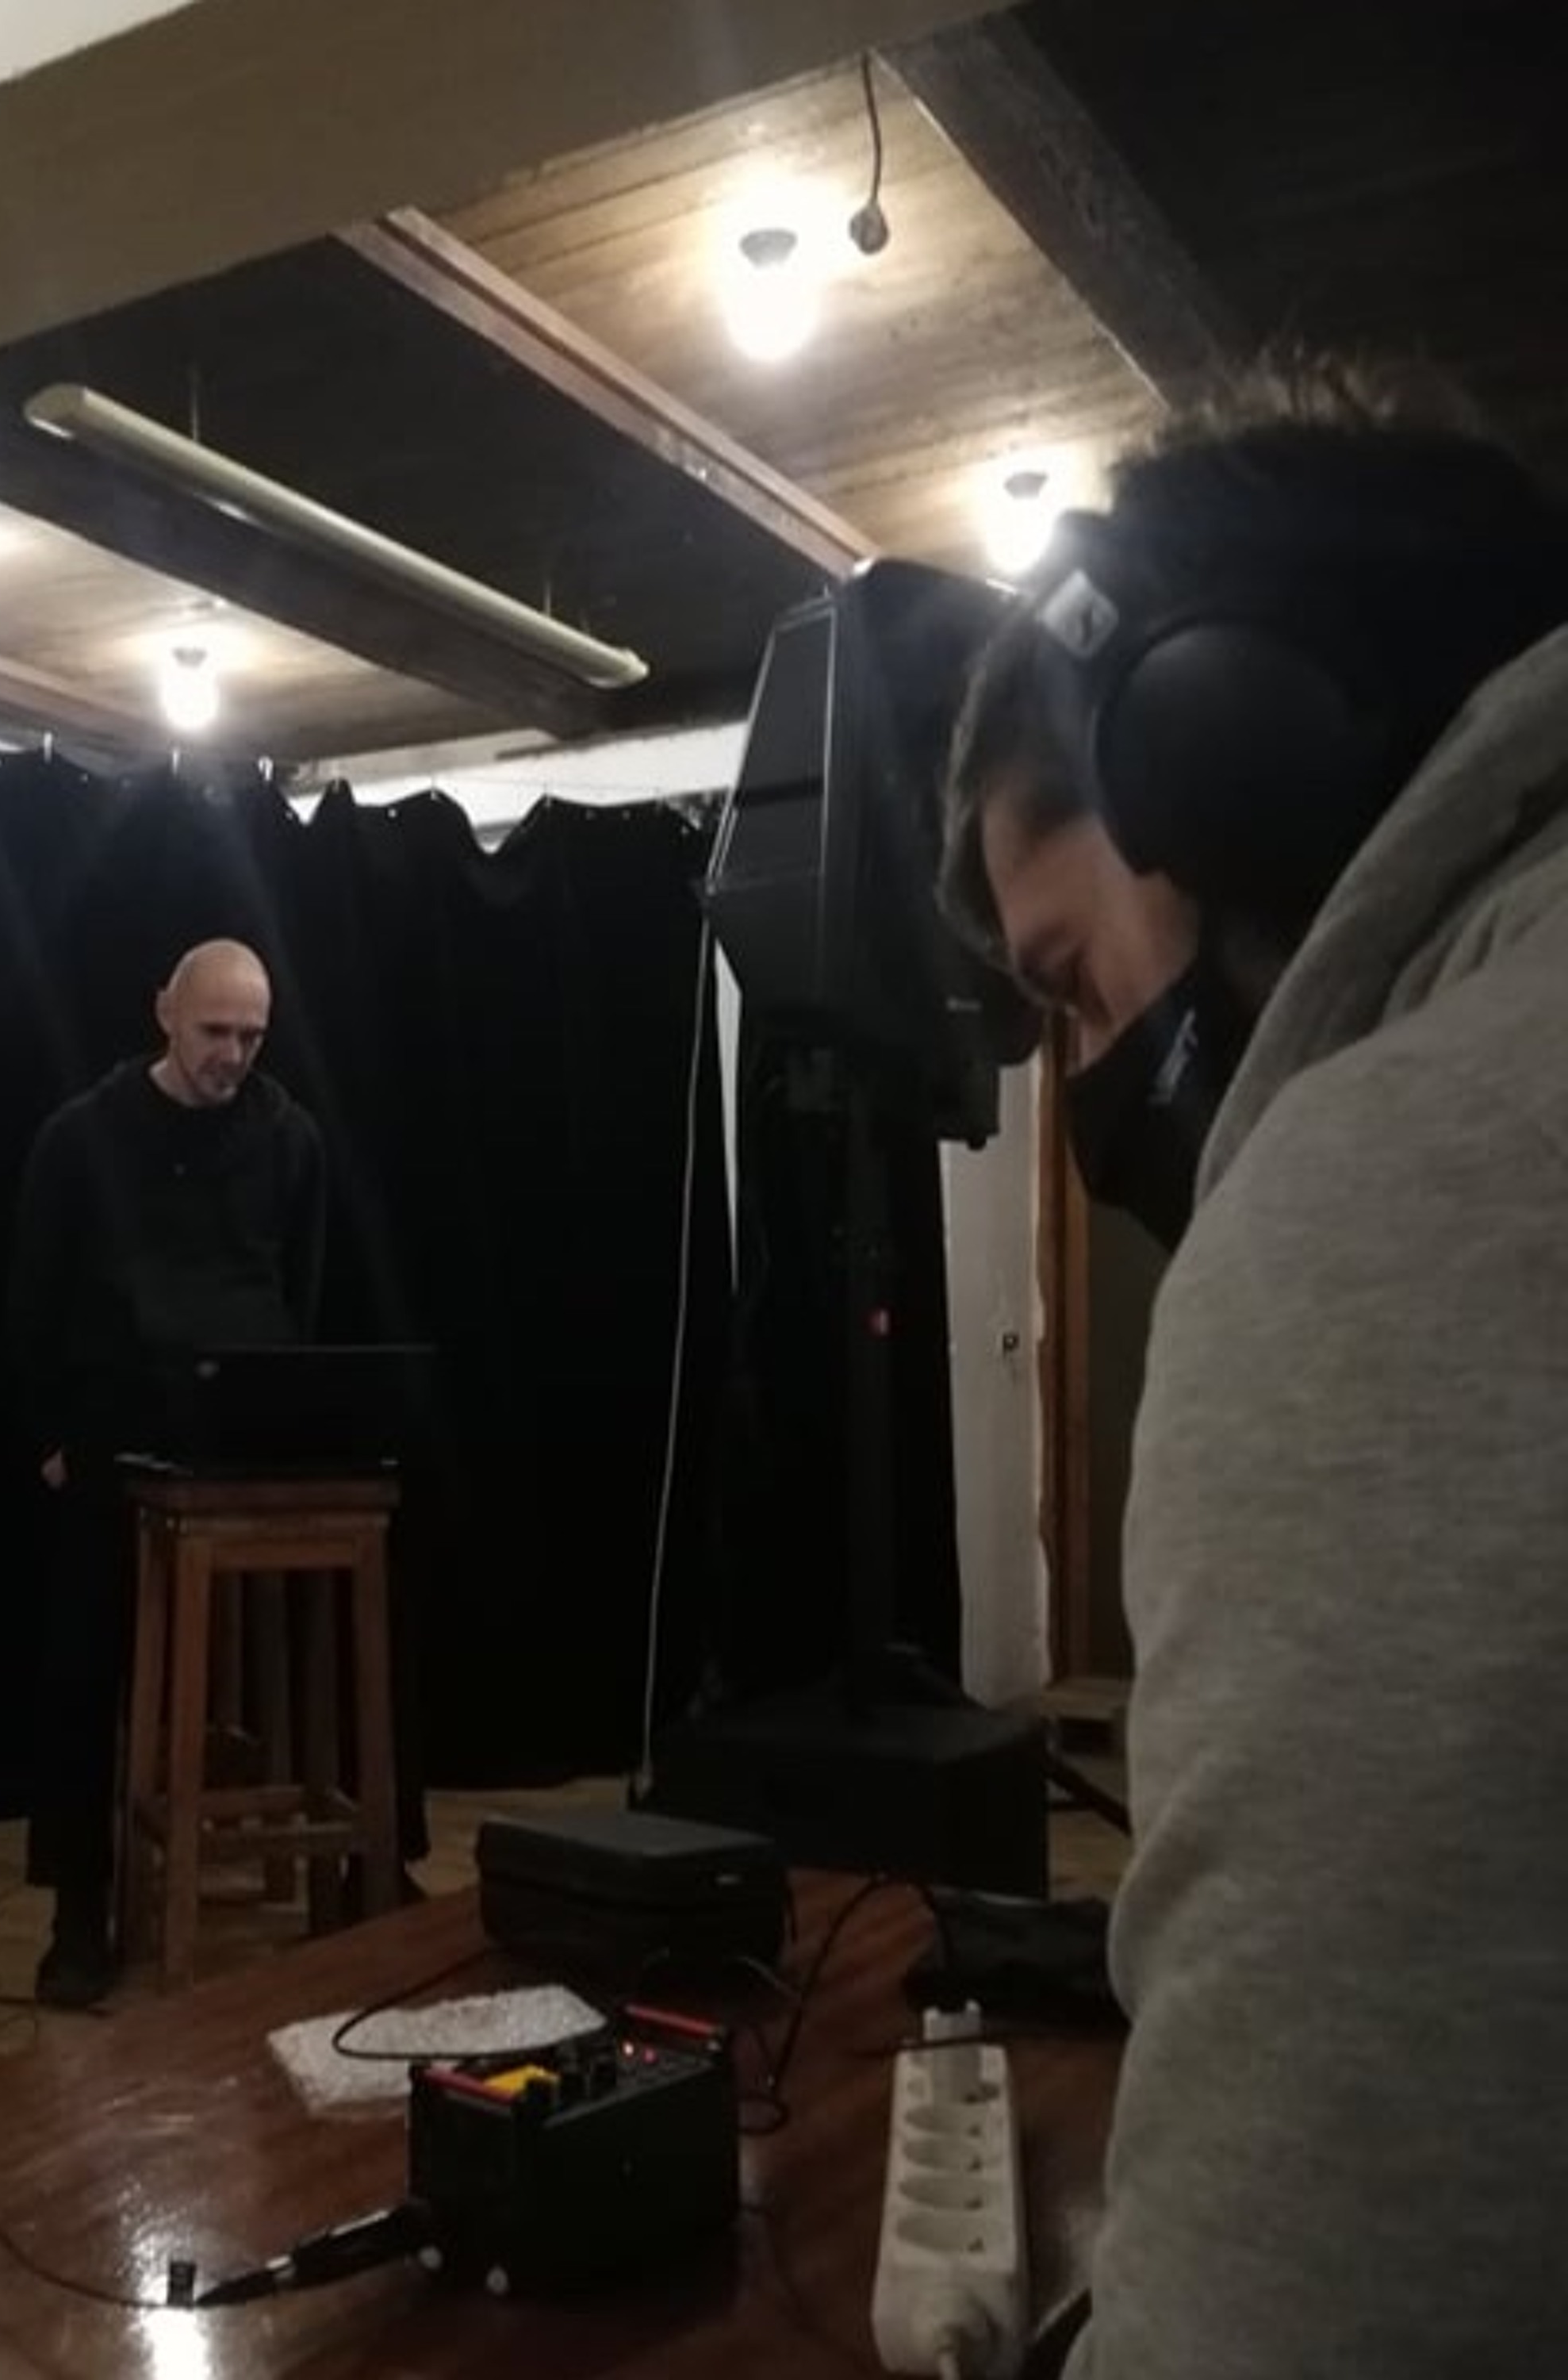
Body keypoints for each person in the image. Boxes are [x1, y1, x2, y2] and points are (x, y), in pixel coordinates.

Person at [936, 359, 1568, 2375]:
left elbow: (1305, 2303)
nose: (1085, 1075)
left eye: (1068, 985)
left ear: (1222, 759)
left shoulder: (1407, 1172)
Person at [6, 938, 325, 2008]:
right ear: (164, 1015)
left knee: (363, 1590)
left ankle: (366, 1871)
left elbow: (302, 1291)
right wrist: (51, 1439)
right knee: (82, 1646)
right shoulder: (82, 1138)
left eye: (252, 1036)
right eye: (215, 1032)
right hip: (116, 1436)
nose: (233, 1055)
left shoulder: (290, 1140)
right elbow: (32, 1299)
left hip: (245, 1441)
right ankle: (78, 1908)